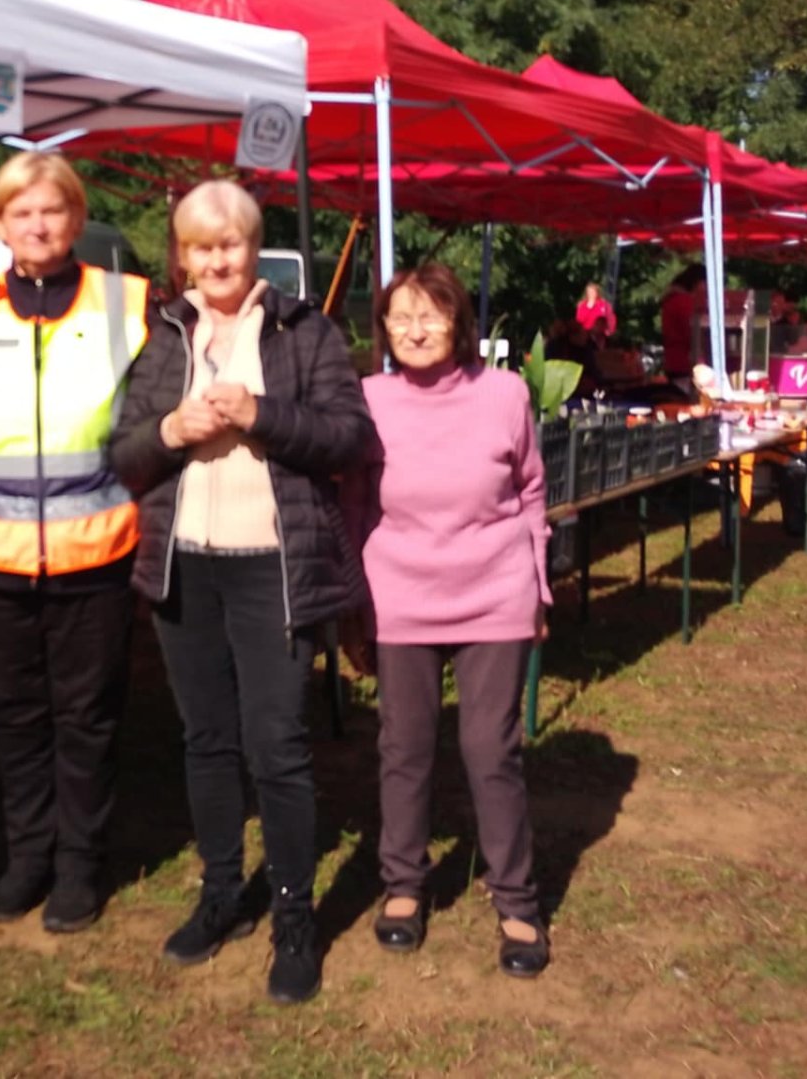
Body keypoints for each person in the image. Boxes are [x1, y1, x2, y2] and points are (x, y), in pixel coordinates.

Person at [109, 181, 371, 1006]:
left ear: (255, 250)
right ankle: (223, 889)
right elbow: (121, 453)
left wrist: (262, 412)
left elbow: (350, 436)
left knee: (278, 743)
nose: (217, 259)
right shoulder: (163, 335)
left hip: (273, 563)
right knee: (206, 739)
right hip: (186, 563)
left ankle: (295, 915)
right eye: (201, 245)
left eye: (232, 244)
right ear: (181, 255)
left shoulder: (305, 329)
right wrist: (169, 432)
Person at [0, 153, 146, 934]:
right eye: (20, 212)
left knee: (86, 713)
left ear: (78, 218)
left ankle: (80, 864)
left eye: (53, 210)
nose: (38, 224)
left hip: (96, 548)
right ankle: (28, 855)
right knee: (15, 712)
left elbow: (154, 420)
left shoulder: (128, 301)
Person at [343, 263, 552, 978]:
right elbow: (353, 504)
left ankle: (517, 898)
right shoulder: (366, 398)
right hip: (398, 592)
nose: (414, 329)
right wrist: (352, 601)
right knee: (404, 744)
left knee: (490, 750)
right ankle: (403, 883)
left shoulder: (505, 393)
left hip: (496, 593)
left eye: (430, 315)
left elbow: (530, 491)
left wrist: (539, 588)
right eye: (399, 317)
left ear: (460, 323)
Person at [659, 264, 707, 396]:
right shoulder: (684, 302)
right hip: (685, 364)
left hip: (673, 362)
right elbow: (693, 333)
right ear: (698, 282)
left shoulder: (671, 300)